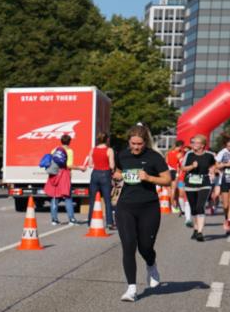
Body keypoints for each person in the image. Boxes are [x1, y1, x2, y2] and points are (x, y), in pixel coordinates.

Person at [113, 123, 171, 301]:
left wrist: (149, 177)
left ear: (145, 142)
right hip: (126, 206)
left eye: (139, 144)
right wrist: (117, 176)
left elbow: (167, 180)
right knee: (128, 245)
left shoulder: (154, 157)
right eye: (133, 144)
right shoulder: (121, 155)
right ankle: (131, 288)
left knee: (145, 246)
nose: (136, 147)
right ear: (129, 142)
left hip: (149, 207)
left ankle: (151, 264)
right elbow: (118, 171)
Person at [180, 134, 215, 242]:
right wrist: (192, 166)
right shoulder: (189, 154)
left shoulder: (209, 155)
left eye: (196, 142)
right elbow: (183, 168)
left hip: (204, 183)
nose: (193, 144)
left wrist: (212, 171)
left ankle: (200, 232)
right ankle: (195, 229)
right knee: (194, 208)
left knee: (200, 206)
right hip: (190, 183)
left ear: (203, 145)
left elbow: (213, 165)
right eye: (193, 142)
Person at [78, 131, 115, 230]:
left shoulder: (93, 150)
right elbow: (112, 165)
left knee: (92, 199)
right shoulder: (109, 150)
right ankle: (109, 222)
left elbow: (90, 164)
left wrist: (97, 165)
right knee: (107, 200)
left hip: (95, 174)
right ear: (107, 139)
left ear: (98, 140)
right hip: (105, 174)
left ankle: (90, 221)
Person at [45, 133, 79, 225]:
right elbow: (69, 165)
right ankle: (71, 219)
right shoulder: (69, 151)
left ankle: (54, 219)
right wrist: (80, 168)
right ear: (69, 142)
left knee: (55, 196)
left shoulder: (54, 150)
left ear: (61, 141)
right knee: (67, 197)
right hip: (64, 174)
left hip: (55, 174)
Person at [166, 139, 185, 214]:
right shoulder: (180, 154)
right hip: (176, 172)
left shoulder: (169, 153)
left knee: (172, 190)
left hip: (169, 171)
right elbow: (181, 164)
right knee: (175, 190)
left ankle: (174, 205)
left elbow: (166, 162)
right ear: (180, 146)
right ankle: (174, 206)